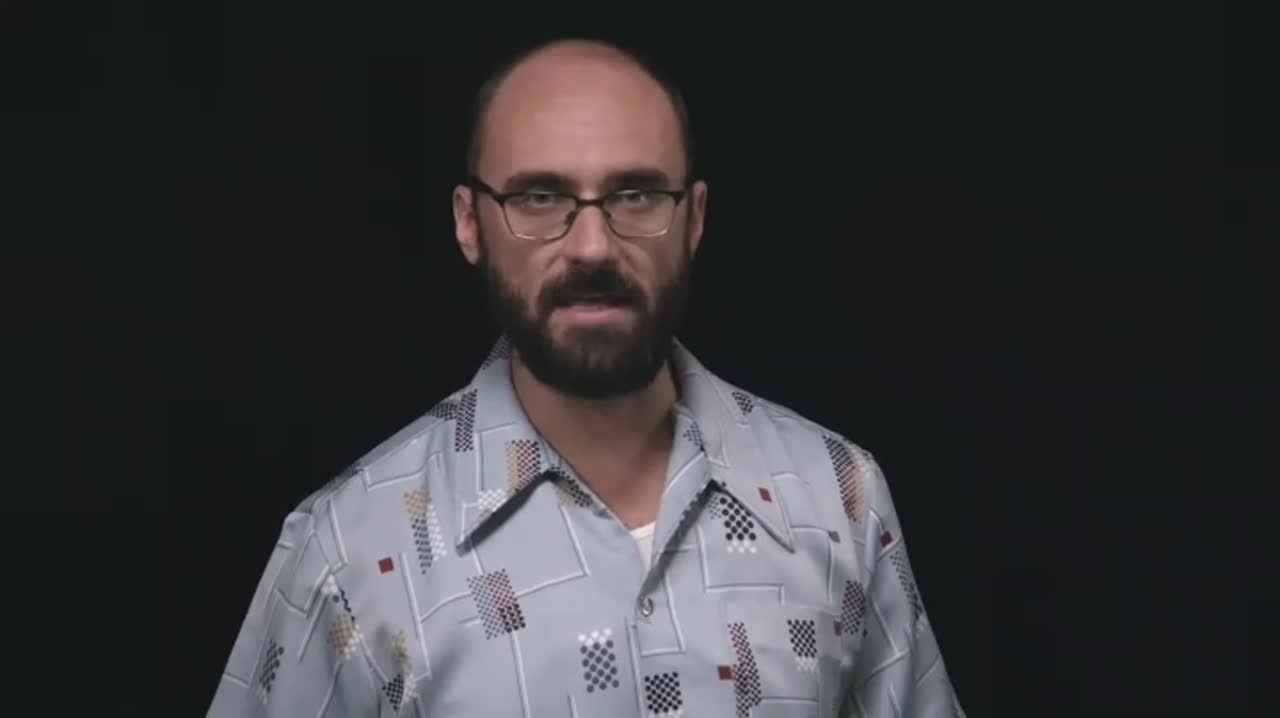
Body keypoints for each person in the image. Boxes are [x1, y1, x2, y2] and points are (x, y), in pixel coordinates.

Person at [208, 36, 965, 717]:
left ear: (695, 218)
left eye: (636, 195)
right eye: (540, 197)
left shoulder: (838, 497)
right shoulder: (350, 548)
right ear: (469, 222)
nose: (594, 247)